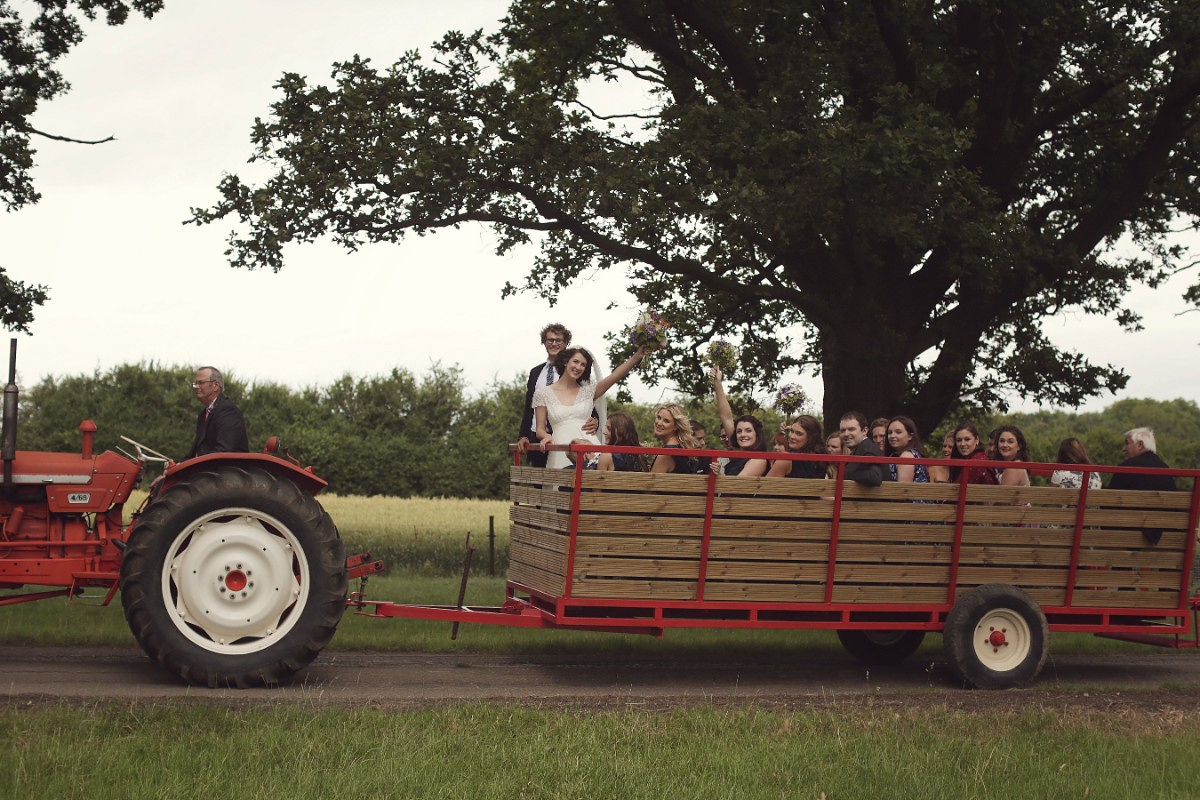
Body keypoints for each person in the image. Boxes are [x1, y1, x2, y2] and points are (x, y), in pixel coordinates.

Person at [533, 346, 646, 469]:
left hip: (590, 447)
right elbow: (540, 429)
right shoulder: (542, 393)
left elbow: (614, 377)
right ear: (566, 362)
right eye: (575, 361)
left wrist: (636, 357)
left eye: (583, 365)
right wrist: (546, 436)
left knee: (592, 485)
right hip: (561, 448)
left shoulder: (589, 391)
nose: (578, 367)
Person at [517, 323, 596, 467]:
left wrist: (595, 419)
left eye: (558, 340)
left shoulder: (575, 371)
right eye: (550, 340)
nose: (554, 344)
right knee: (541, 483)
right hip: (539, 437)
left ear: (566, 343)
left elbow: (584, 400)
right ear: (544, 342)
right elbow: (529, 406)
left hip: (566, 436)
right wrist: (523, 435)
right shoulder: (535, 372)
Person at [1108, 427, 1177, 545]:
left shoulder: (1127, 468)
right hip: (1164, 543)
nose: (1123, 448)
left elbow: (1108, 505)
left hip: (1124, 541)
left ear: (1140, 445)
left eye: (1127, 443)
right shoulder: (1166, 470)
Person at [711, 367, 768, 477]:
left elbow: (736, 488)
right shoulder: (737, 451)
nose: (743, 435)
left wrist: (720, 475)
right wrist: (717, 382)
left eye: (748, 431)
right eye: (739, 431)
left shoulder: (758, 460)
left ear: (757, 434)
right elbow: (726, 417)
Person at [185, 366, 249, 459]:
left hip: (228, 470)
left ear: (215, 385)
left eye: (201, 383)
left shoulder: (228, 410)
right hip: (207, 468)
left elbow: (224, 451)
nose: (197, 387)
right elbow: (196, 452)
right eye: (196, 383)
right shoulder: (203, 414)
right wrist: (178, 465)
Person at [839, 411, 887, 486]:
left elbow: (875, 477)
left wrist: (849, 473)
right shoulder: (861, 448)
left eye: (851, 429)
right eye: (842, 430)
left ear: (864, 431)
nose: (846, 434)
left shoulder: (868, 449)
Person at [651, 404, 699, 474]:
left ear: (675, 426)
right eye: (658, 417)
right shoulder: (682, 446)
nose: (659, 423)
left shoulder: (666, 455)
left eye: (666, 421)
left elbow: (650, 483)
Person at [885, 416, 929, 484]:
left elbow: (903, 490)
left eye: (898, 432)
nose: (892, 436)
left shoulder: (907, 456)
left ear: (910, 436)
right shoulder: (897, 454)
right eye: (890, 432)